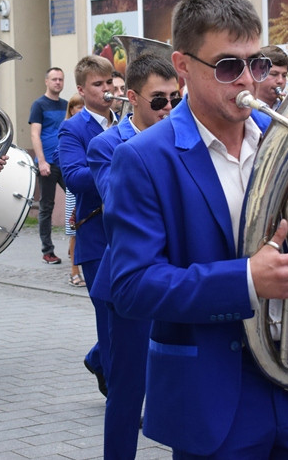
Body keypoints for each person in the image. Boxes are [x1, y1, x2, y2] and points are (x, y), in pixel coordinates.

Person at [105, 0, 288, 458]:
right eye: (227, 66)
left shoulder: (287, 143)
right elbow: (133, 287)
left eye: (255, 63)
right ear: (182, 67)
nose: (247, 79)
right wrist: (245, 281)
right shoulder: (141, 158)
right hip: (215, 396)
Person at [88, 53, 180, 459]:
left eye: (176, 98)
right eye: (158, 100)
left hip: (181, 276)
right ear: (132, 98)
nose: (169, 108)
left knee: (187, 384)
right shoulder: (106, 144)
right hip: (130, 283)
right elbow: (118, 204)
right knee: (127, 394)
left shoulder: (182, 133)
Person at [58, 55, 116, 396]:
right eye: (98, 85)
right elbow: (74, 177)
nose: (107, 90)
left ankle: (98, 358)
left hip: (127, 230)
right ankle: (118, 389)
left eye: (110, 83)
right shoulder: (74, 127)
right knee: (108, 315)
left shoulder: (123, 122)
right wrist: (120, 167)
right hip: (96, 232)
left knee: (130, 312)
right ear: (81, 90)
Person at [29, 67, 68, 265]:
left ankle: (74, 245)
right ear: (46, 81)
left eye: (61, 79)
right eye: (54, 79)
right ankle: (48, 250)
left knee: (77, 199)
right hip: (47, 164)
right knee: (46, 206)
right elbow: (35, 134)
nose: (58, 83)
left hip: (66, 162)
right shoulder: (39, 105)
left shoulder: (66, 105)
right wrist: (41, 161)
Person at [63, 94, 85, 287]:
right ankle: (74, 271)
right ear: (71, 110)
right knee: (73, 230)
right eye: (78, 107)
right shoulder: (70, 129)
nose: (81, 109)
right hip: (75, 188)